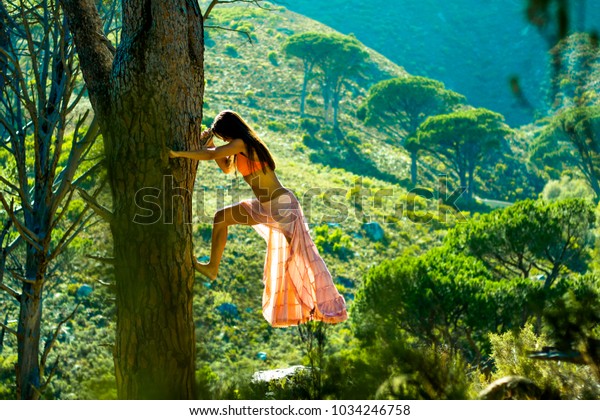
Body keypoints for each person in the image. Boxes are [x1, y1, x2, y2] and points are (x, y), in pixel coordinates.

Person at [168, 110, 347, 327]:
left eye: (223, 136)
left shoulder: (242, 143)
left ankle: (331, 307)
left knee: (304, 254)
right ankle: (212, 268)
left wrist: (178, 154)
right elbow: (224, 166)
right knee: (221, 217)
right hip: (266, 206)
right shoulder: (239, 147)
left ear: (229, 132)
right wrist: (209, 143)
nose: (224, 140)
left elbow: (210, 155)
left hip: (282, 206)